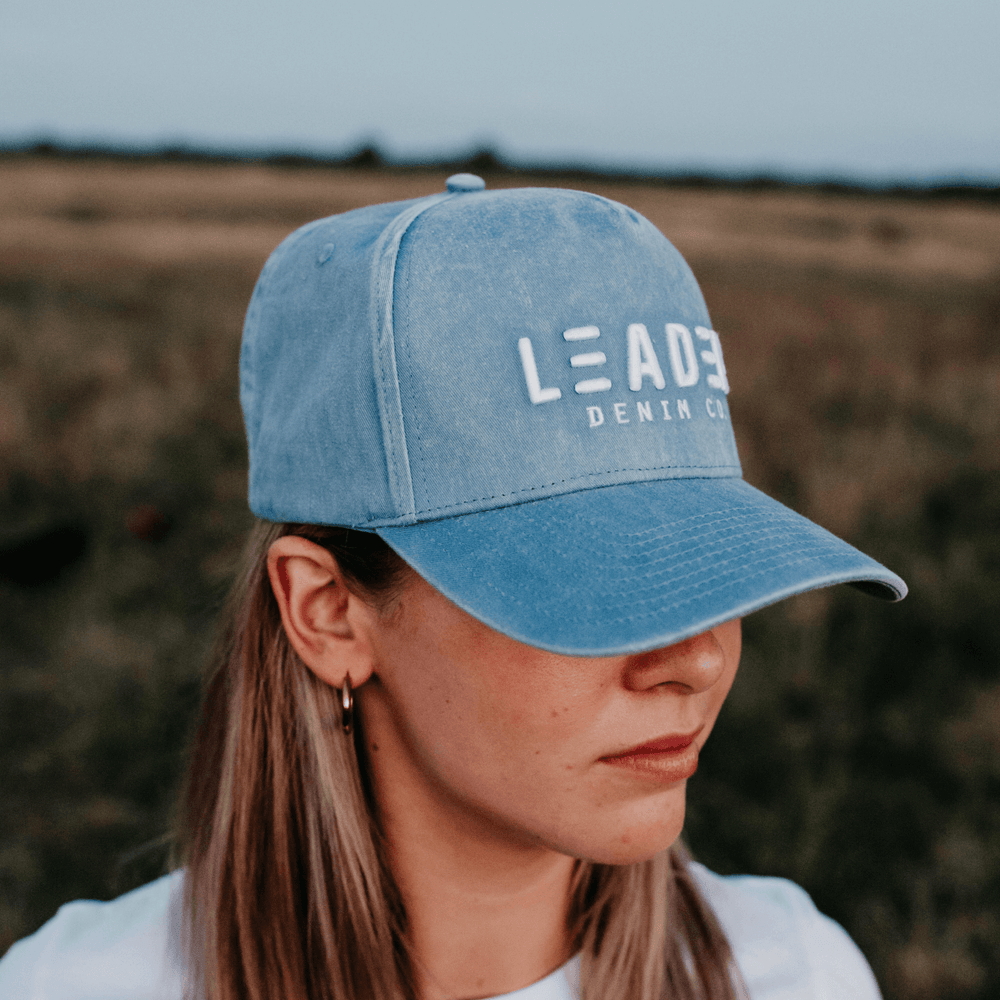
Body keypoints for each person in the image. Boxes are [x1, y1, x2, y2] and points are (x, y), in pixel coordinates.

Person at [0, 173, 906, 1000]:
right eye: (587, 583)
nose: (697, 660)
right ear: (327, 614)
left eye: (712, 568)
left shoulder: (795, 976)